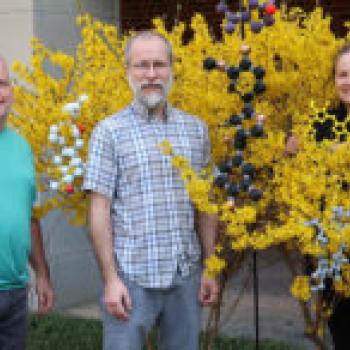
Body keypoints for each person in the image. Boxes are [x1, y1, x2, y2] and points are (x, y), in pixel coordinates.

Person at [84, 31, 219, 350]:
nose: (151, 74)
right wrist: (110, 279)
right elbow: (99, 209)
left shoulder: (195, 129)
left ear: (172, 68)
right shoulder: (109, 132)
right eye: (141, 65)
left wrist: (210, 267)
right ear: (127, 71)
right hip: (131, 279)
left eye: (159, 64)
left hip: (185, 277)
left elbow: (206, 206)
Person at [286, 44, 350, 350]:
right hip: (330, 245)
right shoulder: (321, 122)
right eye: (342, 74)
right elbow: (297, 164)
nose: (347, 81)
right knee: (341, 326)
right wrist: (291, 149)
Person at [0, 56, 54, 350]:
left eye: (2, 83)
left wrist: (43, 274)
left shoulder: (22, 147)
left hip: (14, 295)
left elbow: (28, 218)